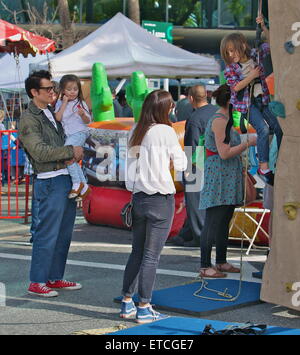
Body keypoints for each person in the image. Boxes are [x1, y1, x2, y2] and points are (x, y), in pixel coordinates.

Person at [120, 89, 187, 323]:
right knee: (151, 256)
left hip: (138, 198)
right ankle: (145, 306)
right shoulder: (166, 131)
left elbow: (128, 175)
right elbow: (182, 162)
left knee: (137, 252)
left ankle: (127, 302)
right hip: (161, 199)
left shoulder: (135, 130)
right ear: (164, 109)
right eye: (170, 107)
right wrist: (167, 162)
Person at [19, 70, 83, 297]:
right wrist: (70, 151)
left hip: (63, 177)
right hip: (49, 180)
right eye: (47, 89)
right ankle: (37, 281)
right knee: (47, 234)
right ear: (34, 92)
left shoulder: (49, 112)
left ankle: (54, 277)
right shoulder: (29, 118)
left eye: (53, 88)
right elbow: (38, 151)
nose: (52, 92)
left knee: (64, 233)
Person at [199, 84, 257, 278]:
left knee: (224, 219)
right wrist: (247, 143)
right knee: (214, 220)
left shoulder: (226, 119)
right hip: (220, 175)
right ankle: (205, 265)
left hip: (227, 175)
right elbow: (224, 153)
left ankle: (221, 261)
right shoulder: (220, 121)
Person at [220, 16, 282, 186]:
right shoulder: (230, 69)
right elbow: (236, 87)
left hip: (262, 99)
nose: (231, 55)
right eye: (228, 52)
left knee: (278, 127)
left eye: (233, 50)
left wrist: (263, 27)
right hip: (246, 105)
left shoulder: (255, 55)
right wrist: (253, 75)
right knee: (262, 128)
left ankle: (281, 158)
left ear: (242, 46)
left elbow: (271, 44)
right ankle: (263, 166)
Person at [181, 85, 218, 247]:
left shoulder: (195, 119)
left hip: (199, 162)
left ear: (190, 98)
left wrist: (188, 168)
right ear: (207, 96)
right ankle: (186, 233)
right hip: (218, 160)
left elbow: (191, 145)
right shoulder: (217, 111)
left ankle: (199, 236)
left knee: (195, 201)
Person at [55, 74, 91, 201]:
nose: (72, 92)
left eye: (75, 89)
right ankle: (84, 186)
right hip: (69, 134)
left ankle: (76, 183)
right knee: (71, 160)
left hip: (79, 132)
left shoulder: (80, 103)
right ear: (63, 90)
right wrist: (64, 102)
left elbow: (88, 121)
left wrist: (82, 115)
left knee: (67, 155)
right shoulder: (60, 102)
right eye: (69, 89)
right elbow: (58, 118)